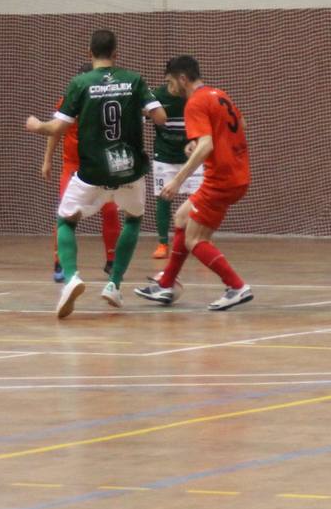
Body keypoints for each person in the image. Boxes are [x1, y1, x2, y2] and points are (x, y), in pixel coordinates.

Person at [24, 30, 165, 316]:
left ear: (90, 52)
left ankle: (72, 277)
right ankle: (113, 284)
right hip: (130, 170)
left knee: (65, 221)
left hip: (93, 170)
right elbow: (160, 117)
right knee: (134, 219)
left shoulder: (80, 83)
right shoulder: (134, 79)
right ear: (116, 53)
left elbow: (57, 128)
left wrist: (36, 125)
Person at [134, 56, 253, 311]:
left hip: (221, 179)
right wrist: (199, 143)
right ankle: (166, 283)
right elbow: (241, 125)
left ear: (182, 79)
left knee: (195, 241)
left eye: (170, 82)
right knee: (182, 218)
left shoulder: (195, 102)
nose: (169, 88)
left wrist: (178, 180)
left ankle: (236, 287)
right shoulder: (219, 94)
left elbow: (208, 144)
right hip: (237, 174)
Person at [39, 63, 122, 283]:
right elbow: (55, 132)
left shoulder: (106, 102)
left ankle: (112, 261)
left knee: (111, 210)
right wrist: (47, 160)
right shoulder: (68, 101)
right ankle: (60, 263)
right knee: (66, 213)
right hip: (73, 166)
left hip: (100, 166)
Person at [149, 78, 202, 260]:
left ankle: (199, 241)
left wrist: (196, 142)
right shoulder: (156, 96)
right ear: (169, 78)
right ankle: (163, 243)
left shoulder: (193, 96)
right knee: (163, 198)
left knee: (199, 201)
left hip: (191, 156)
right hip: (164, 156)